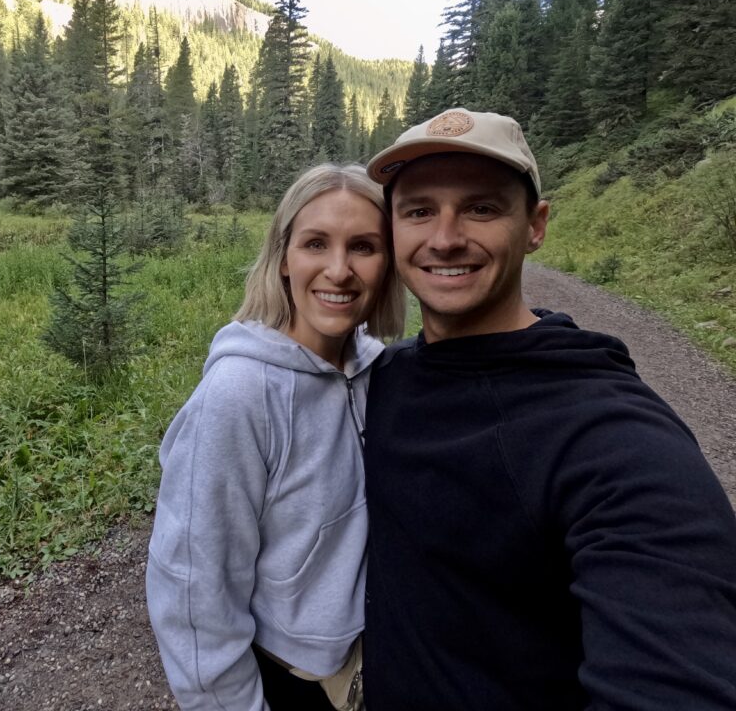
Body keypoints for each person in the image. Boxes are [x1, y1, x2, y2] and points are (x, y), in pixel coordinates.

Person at [362, 107, 736, 709]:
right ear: (392, 228)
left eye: (482, 208)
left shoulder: (614, 438)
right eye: (419, 210)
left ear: (535, 225)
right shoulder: (383, 379)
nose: (445, 237)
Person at [146, 163, 405, 711]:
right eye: (316, 244)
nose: (339, 270)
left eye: (363, 246)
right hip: (289, 678)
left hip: (375, 662)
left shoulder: (382, 372)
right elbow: (194, 589)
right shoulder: (238, 395)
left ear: (388, 264)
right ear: (284, 258)